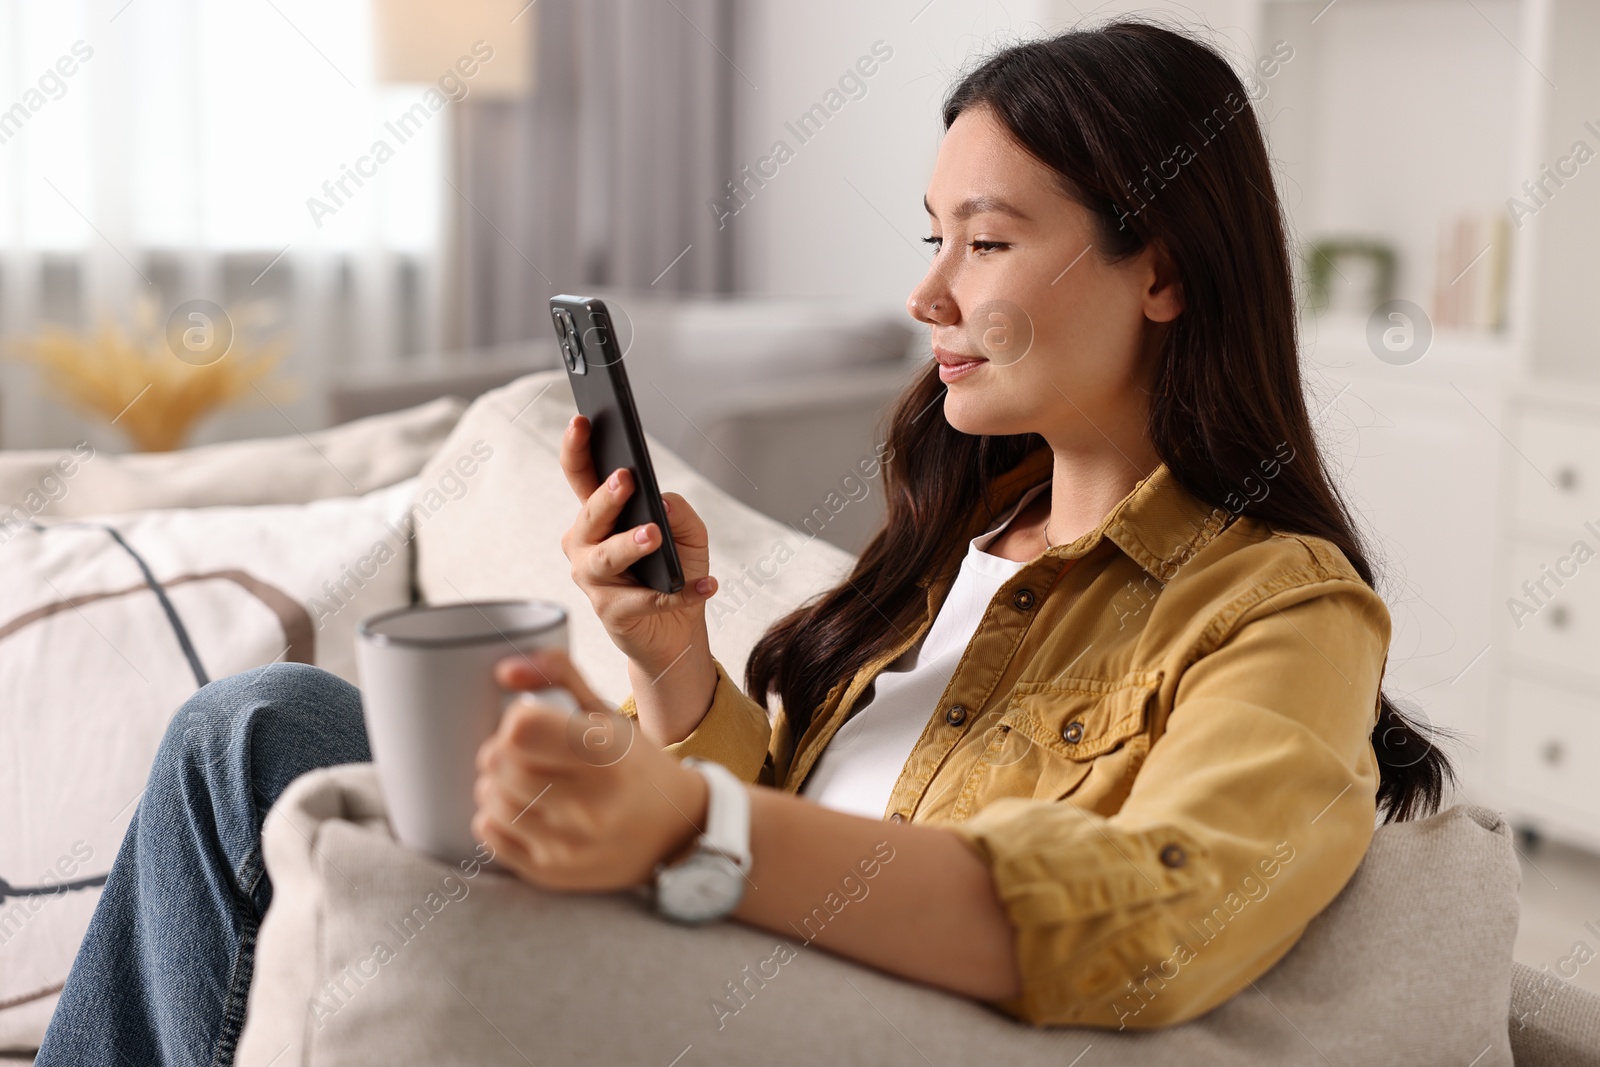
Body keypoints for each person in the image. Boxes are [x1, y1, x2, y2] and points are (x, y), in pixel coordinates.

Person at [38, 19, 1453, 1064]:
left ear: (1166, 270)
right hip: (719, 956)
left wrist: (696, 822)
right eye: (931, 237)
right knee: (262, 731)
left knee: (260, 730)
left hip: (813, 1023)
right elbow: (794, 807)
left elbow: (1161, 915)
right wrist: (668, 668)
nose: (927, 292)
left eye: (987, 242)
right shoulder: (962, 546)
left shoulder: (1282, 608)